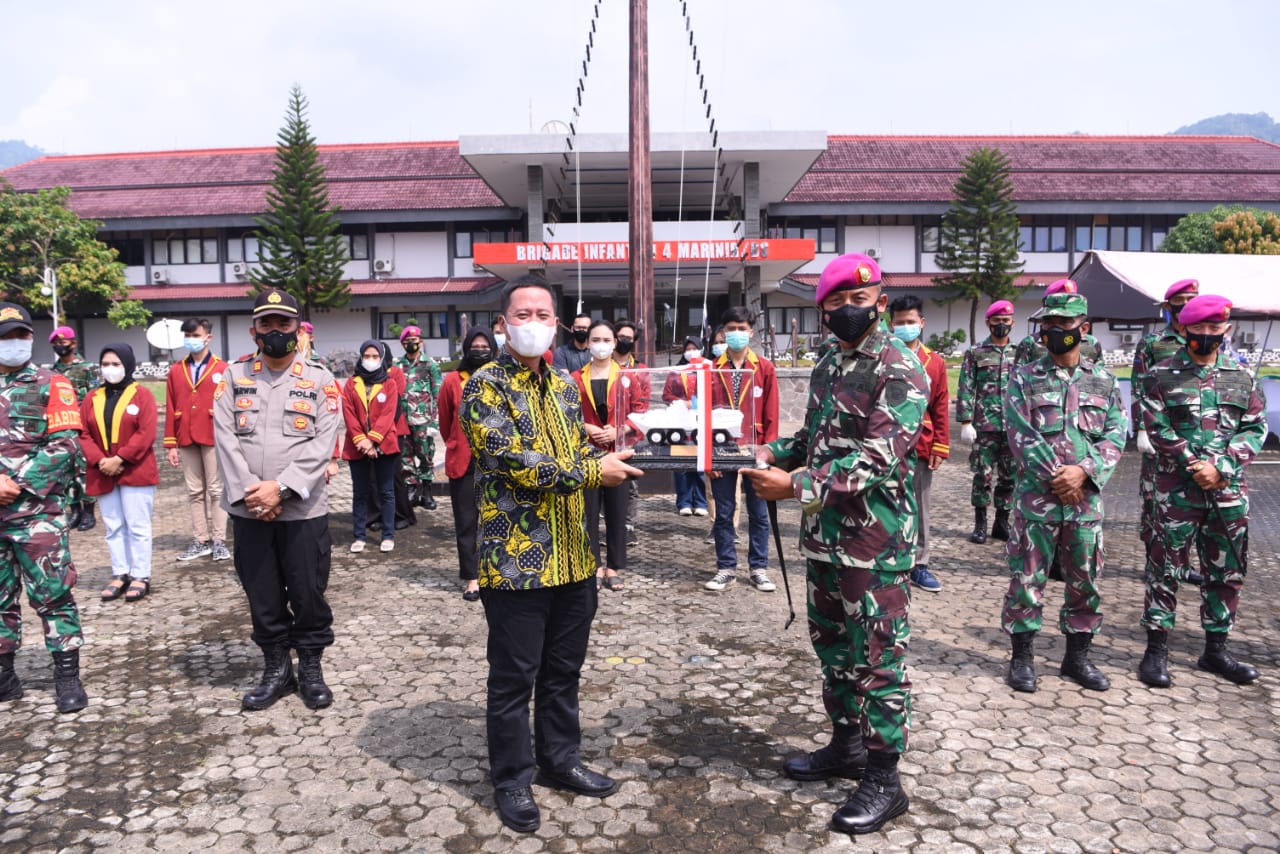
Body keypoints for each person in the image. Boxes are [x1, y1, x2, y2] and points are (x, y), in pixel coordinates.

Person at [742, 253, 926, 835]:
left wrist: (794, 484)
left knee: (878, 662)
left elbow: (878, 455)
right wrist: (777, 451)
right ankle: (846, 746)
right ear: (823, 311)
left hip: (875, 543)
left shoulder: (900, 366)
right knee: (837, 656)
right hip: (826, 540)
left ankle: (884, 777)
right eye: (836, 303)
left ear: (879, 300)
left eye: (858, 299)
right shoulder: (829, 364)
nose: (849, 310)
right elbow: (819, 436)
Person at [460, 275, 642, 834]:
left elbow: (560, 450)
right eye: (522, 313)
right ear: (503, 323)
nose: (533, 322)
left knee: (563, 671)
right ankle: (512, 778)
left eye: (543, 314)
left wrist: (598, 443)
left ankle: (560, 760)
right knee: (514, 677)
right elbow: (514, 461)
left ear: (558, 324)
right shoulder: (483, 387)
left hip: (572, 557)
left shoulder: (565, 385)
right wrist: (593, 469)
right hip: (516, 564)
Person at [213, 288, 343, 712]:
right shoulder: (233, 378)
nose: (274, 331)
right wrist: (255, 494)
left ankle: (309, 667)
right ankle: (275, 668)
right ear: (253, 331)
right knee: (262, 593)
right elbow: (225, 440)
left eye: (283, 324)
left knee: (307, 593)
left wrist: (280, 489)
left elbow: (321, 444)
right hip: (249, 509)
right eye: (266, 324)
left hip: (302, 509)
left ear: (297, 330)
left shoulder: (321, 380)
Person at [1138, 294, 1267, 688]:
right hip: (1177, 490)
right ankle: (1156, 651)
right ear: (1184, 329)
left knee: (1226, 571)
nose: (1207, 336)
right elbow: (1158, 427)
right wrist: (1195, 465)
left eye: (1215, 329)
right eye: (1199, 329)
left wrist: (1222, 467)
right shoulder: (1160, 375)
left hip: (1227, 491)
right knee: (1165, 569)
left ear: (1226, 330)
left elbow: (1255, 426)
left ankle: (1216, 651)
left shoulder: (1242, 377)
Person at [1001, 288, 1126, 694]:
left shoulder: (1104, 382)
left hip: (1084, 504)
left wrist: (1084, 473)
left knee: (1084, 582)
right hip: (1036, 501)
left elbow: (1116, 434)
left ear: (1083, 329)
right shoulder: (1024, 377)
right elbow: (1020, 433)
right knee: (1027, 579)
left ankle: (1077, 658)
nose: (1055, 332)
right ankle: (1022, 659)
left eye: (1064, 325)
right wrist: (1060, 476)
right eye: (1048, 325)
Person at [0, 302, 89, 713]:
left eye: (21, 334)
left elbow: (66, 443)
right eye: (6, 336)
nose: (14, 342)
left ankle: (67, 677)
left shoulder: (51, 382)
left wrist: (17, 483)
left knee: (53, 595)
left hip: (37, 515)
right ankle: (5, 676)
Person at [1132, 278, 1204, 587]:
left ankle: (1183, 563)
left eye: (1193, 299)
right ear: (1169, 306)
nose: (1187, 305)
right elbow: (1139, 387)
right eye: (1182, 300)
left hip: (1195, 436)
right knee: (1154, 500)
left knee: (1191, 503)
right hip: (1159, 436)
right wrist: (1141, 428)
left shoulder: (1205, 339)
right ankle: (1154, 559)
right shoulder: (1153, 343)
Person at [705, 307, 779, 593]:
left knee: (759, 512)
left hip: (755, 448)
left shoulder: (764, 368)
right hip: (722, 448)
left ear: (751, 331)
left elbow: (772, 413)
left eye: (742, 328)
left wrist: (768, 452)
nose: (736, 333)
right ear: (723, 332)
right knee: (724, 511)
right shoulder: (712, 369)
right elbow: (705, 415)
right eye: (731, 328)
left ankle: (759, 567)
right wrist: (708, 454)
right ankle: (726, 567)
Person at [81, 344, 159, 602]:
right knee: (113, 526)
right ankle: (120, 573)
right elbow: (83, 433)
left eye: (116, 364)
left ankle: (140, 575)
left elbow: (146, 432)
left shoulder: (142, 395)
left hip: (134, 469)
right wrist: (101, 460)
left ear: (128, 364)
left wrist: (120, 458)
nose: (110, 369)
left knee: (137, 525)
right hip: (102, 470)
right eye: (106, 364)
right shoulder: (92, 397)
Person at [573, 320, 644, 592]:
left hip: (619, 451)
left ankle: (613, 566)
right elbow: (567, 412)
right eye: (595, 339)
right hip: (587, 454)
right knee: (587, 513)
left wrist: (620, 430)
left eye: (606, 340)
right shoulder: (576, 377)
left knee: (617, 512)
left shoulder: (629, 377)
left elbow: (640, 410)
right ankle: (592, 564)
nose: (601, 344)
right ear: (588, 343)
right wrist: (587, 427)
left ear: (615, 343)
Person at [888, 295, 949, 593]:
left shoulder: (934, 362)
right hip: (885, 444)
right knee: (887, 502)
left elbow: (940, 405)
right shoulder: (883, 356)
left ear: (922, 323)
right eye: (899, 323)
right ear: (890, 324)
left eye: (911, 322)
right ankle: (891, 558)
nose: (905, 327)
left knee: (920, 506)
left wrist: (941, 445)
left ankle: (920, 563)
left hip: (922, 444)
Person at [164, 317, 231, 563]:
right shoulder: (175, 370)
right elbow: (171, 407)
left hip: (213, 434)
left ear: (208, 337)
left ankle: (219, 540)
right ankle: (200, 539)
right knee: (194, 491)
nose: (190, 340)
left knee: (216, 490)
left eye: (195, 335)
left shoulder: (222, 368)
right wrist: (171, 444)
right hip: (185, 435)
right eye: (187, 336)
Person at [437, 327, 495, 601]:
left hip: (498, 461)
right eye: (476, 347)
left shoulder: (501, 378)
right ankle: (472, 577)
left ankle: (496, 572)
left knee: (497, 520)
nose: (480, 352)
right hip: (464, 460)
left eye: (485, 348)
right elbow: (445, 421)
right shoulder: (452, 380)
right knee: (467, 521)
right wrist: (457, 442)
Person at [955, 301, 1017, 545]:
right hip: (984, 426)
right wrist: (965, 422)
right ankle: (980, 524)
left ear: (1012, 321)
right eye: (996, 320)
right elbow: (966, 386)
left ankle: (1001, 523)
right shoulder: (976, 352)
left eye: (1006, 320)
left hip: (1013, 426)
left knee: (1009, 477)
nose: (1001, 325)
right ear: (988, 322)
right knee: (983, 475)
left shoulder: (1020, 353)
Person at [343, 340, 403, 554]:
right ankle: (359, 535)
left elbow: (389, 414)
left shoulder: (389, 383)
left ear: (382, 358)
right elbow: (348, 414)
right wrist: (362, 440)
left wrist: (373, 440)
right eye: (366, 356)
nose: (370, 360)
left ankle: (388, 535)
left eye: (375, 356)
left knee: (386, 491)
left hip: (384, 443)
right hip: (356, 445)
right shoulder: (351, 383)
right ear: (360, 357)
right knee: (360, 492)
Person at [49, 325, 100, 532]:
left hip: (83, 428)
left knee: (85, 470)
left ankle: (89, 512)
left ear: (74, 344)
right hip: (61, 428)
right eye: (56, 344)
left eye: (64, 342)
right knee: (66, 471)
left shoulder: (88, 368)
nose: (60, 346)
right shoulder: (52, 372)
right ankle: (75, 510)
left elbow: (95, 398)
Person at [395, 325, 441, 510]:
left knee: (425, 455)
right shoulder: (397, 365)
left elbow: (437, 394)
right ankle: (411, 491)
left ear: (421, 342)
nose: (411, 344)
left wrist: (435, 422)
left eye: (414, 341)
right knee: (405, 456)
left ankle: (427, 493)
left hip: (423, 420)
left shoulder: (430, 365)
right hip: (403, 420)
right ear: (403, 344)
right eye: (408, 342)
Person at [663, 336, 709, 516]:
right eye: (688, 348)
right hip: (680, 422)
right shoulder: (676, 371)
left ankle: (701, 502)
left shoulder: (707, 368)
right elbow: (667, 396)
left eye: (694, 348)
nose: (691, 351)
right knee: (681, 464)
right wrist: (683, 403)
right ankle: (684, 501)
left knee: (700, 463)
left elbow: (717, 393)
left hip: (702, 422)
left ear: (701, 349)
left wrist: (700, 404)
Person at [612, 319, 648, 546]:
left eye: (629, 338)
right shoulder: (602, 365)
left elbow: (643, 405)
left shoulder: (641, 370)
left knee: (630, 484)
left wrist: (627, 426)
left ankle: (628, 526)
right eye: (621, 336)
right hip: (603, 436)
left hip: (631, 436)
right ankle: (609, 527)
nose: (624, 341)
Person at [1013, 278, 1104, 367]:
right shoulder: (1030, 343)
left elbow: (1099, 374)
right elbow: (1018, 373)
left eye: (1065, 321)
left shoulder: (1092, 343)